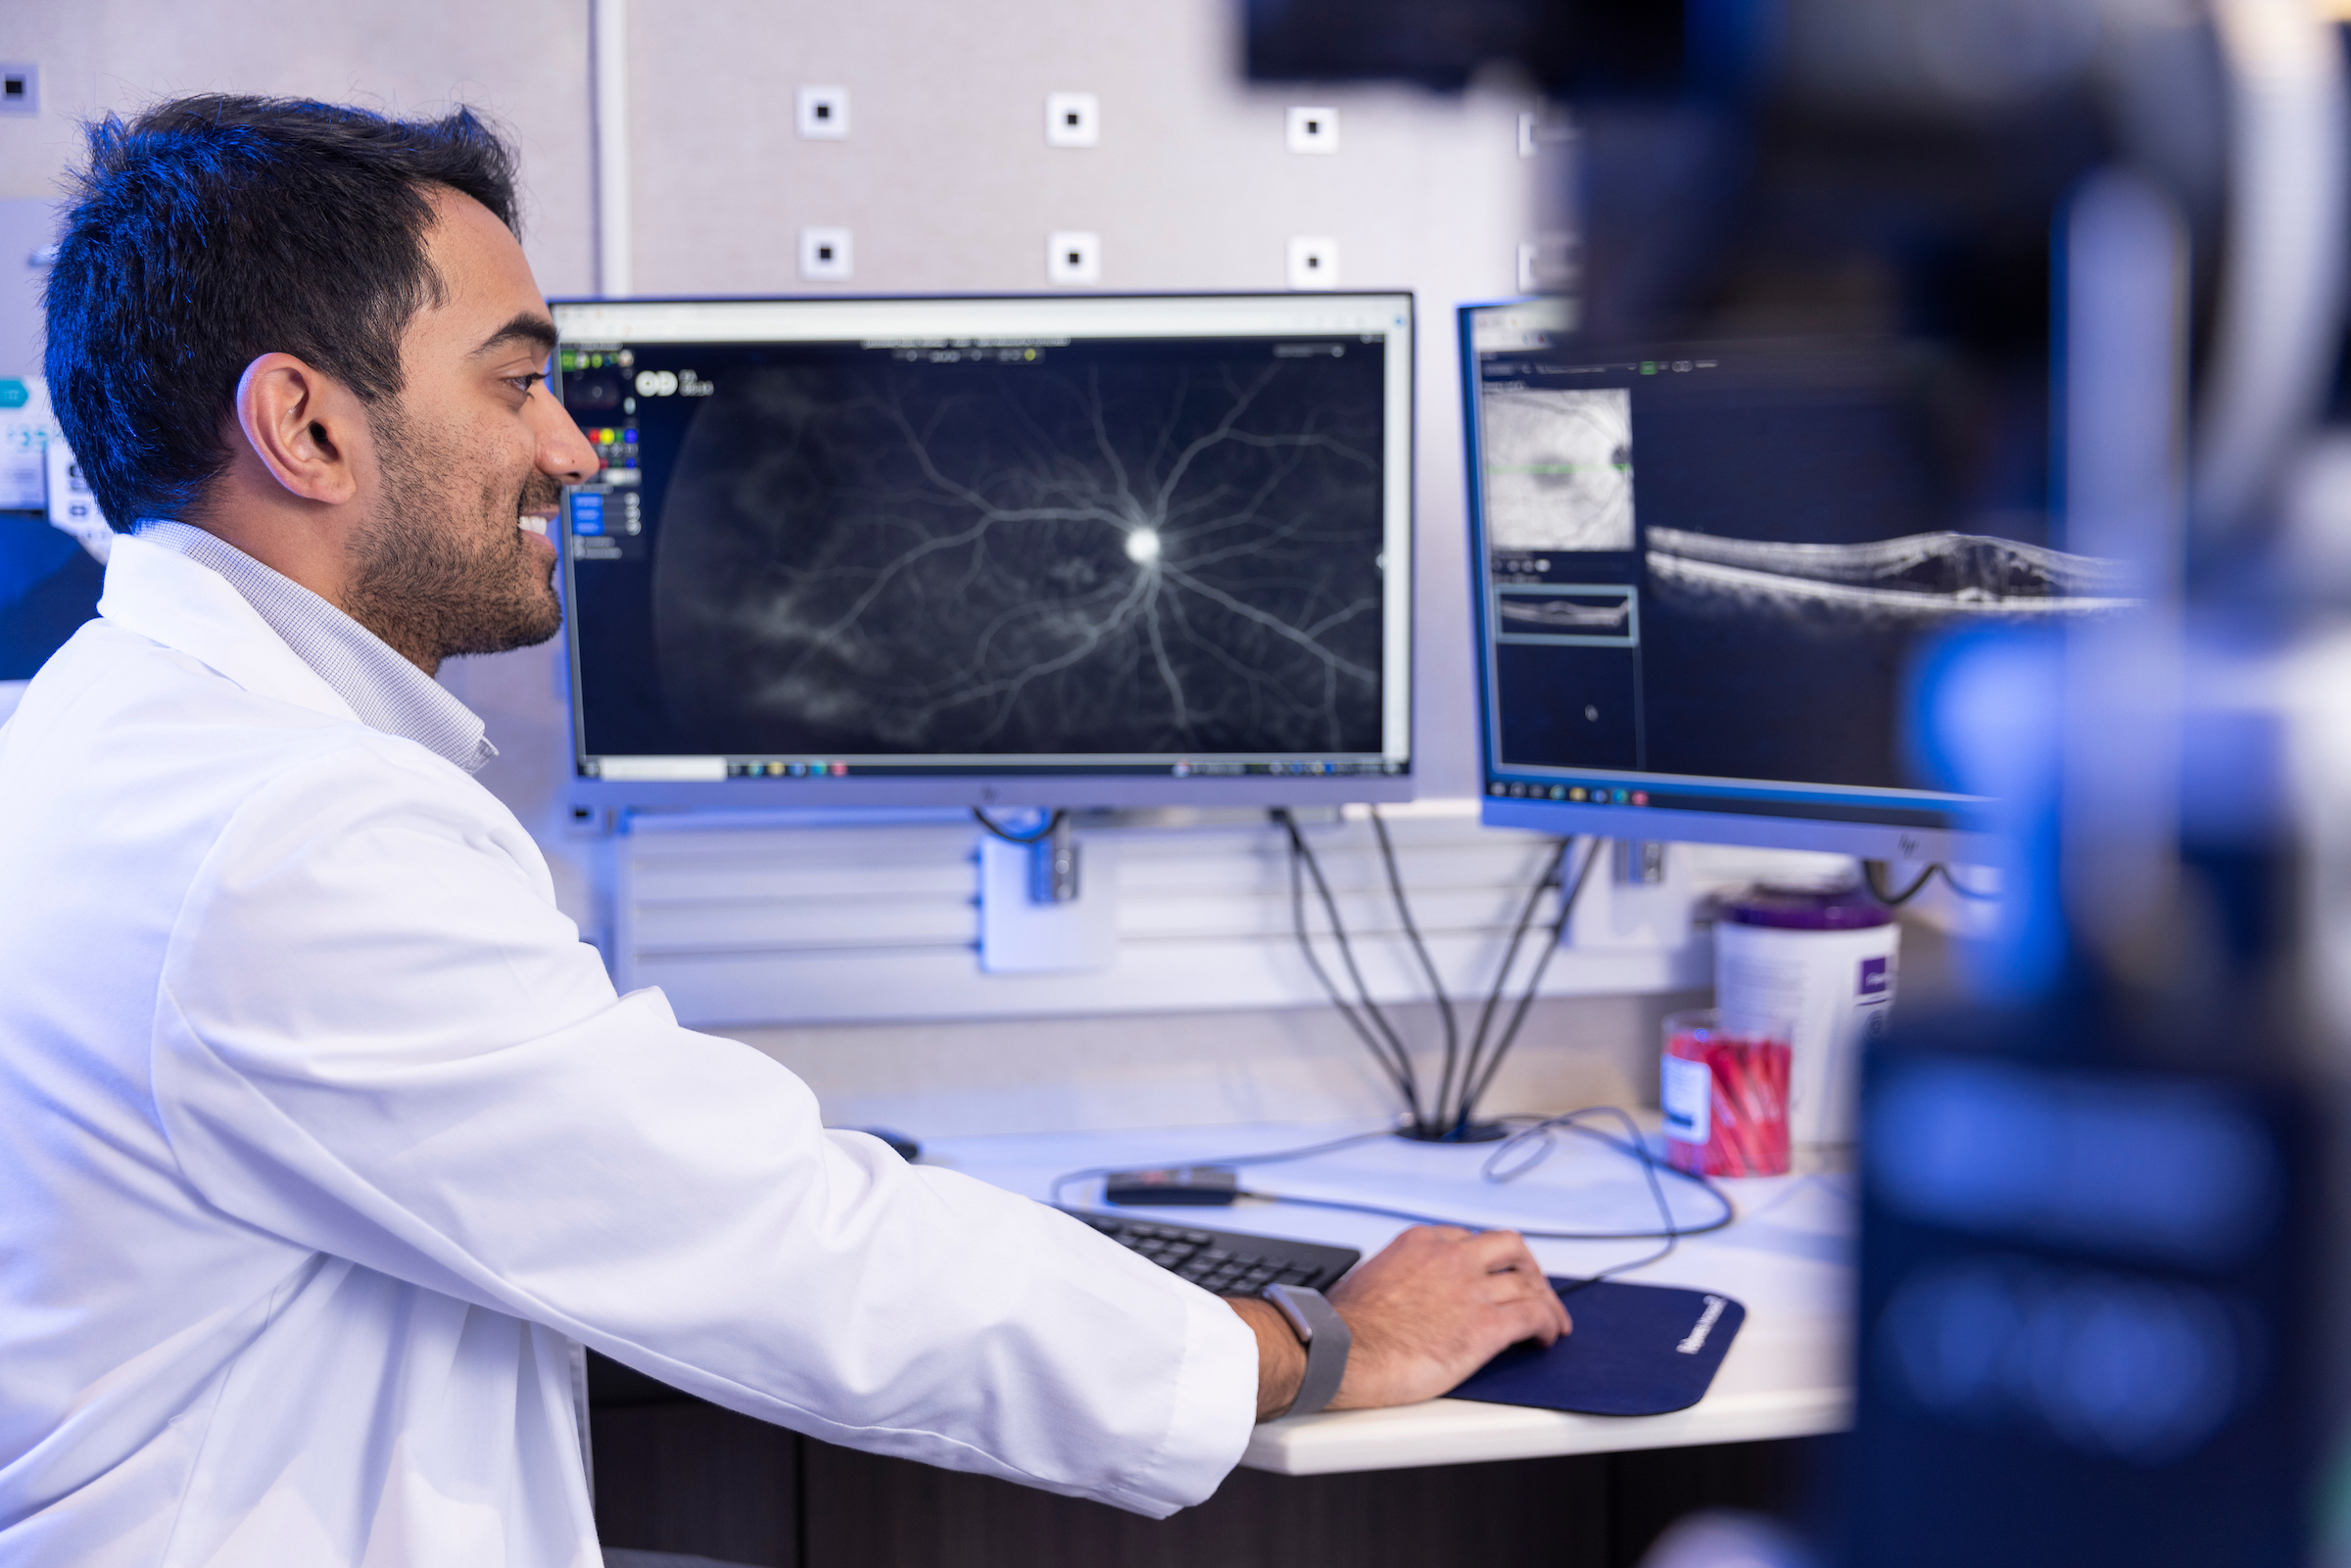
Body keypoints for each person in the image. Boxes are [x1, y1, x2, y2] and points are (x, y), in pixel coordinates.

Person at [0, 97, 1570, 1567]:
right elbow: (793, 1252)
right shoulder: (285, 830)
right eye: (514, 378)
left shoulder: (119, 724)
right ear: (308, 426)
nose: (572, 446)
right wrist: (1317, 1342)